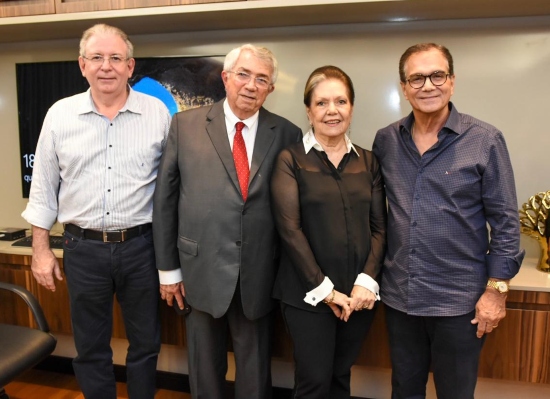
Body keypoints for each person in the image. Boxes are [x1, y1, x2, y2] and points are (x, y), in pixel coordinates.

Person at [21, 24, 171, 399]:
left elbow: (173, 188)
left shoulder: (158, 113)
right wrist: (41, 250)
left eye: (116, 58)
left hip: (142, 248)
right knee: (90, 348)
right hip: (82, 249)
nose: (107, 66)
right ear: (82, 65)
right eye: (97, 58)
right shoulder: (60, 115)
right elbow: (42, 188)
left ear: (130, 66)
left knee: (145, 344)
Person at [372, 43, 525, 399]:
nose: (428, 85)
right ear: (404, 87)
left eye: (437, 75)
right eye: (417, 78)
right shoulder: (386, 141)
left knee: (455, 393)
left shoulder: (485, 140)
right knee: (404, 389)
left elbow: (505, 221)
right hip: (400, 299)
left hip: (459, 303)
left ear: (452, 82)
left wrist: (496, 291)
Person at [152, 43, 302, 399]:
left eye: (262, 79)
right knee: (205, 372)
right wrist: (168, 272)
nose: (251, 85)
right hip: (198, 269)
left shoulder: (287, 133)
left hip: (260, 273)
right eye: (244, 74)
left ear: (271, 89)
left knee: (255, 371)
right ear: (226, 78)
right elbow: (165, 200)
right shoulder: (184, 126)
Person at [270, 65, 387, 398]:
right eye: (321, 103)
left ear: (351, 108)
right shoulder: (290, 159)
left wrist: (367, 282)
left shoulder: (368, 161)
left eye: (341, 101)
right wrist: (325, 290)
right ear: (308, 111)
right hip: (308, 296)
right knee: (314, 383)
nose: (332, 110)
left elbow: (380, 228)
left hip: (358, 295)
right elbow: (289, 230)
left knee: (339, 377)